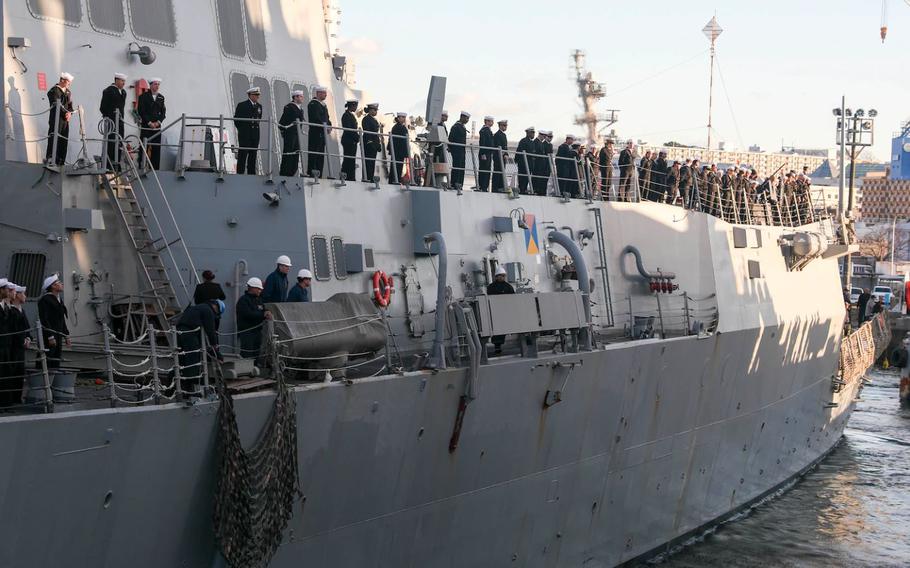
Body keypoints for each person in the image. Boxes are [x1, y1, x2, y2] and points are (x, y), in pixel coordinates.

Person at [176, 299, 223, 389]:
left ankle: (180, 385)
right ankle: (192, 386)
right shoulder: (208, 311)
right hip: (189, 333)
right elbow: (210, 330)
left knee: (182, 359)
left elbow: (202, 341)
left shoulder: (199, 307)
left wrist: (211, 352)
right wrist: (215, 347)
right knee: (193, 357)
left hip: (180, 332)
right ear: (216, 307)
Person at [5, 285, 31, 405]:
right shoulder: (11, 311)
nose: (25, 296)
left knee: (20, 372)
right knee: (12, 371)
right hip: (13, 347)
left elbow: (26, 328)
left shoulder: (21, 311)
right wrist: (22, 340)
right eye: (23, 293)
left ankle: (17, 397)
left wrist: (28, 338)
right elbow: (13, 329)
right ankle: (10, 399)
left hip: (21, 346)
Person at [37, 274, 69, 369]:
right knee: (47, 357)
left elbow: (61, 318)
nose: (61, 284)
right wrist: (50, 336)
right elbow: (44, 319)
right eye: (58, 283)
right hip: (49, 335)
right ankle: (43, 379)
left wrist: (66, 334)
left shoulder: (58, 299)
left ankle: (53, 380)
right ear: (53, 286)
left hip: (58, 334)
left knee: (56, 358)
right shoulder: (45, 300)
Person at [236, 278, 271, 360]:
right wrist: (263, 314)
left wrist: (267, 312)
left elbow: (262, 309)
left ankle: (254, 368)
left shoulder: (258, 300)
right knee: (247, 354)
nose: (260, 291)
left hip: (257, 331)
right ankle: (246, 371)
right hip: (247, 332)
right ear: (252, 288)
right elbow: (248, 314)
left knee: (256, 353)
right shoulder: (243, 300)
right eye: (258, 289)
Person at [45, 72, 74, 167]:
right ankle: (51, 158)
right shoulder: (54, 91)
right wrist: (65, 113)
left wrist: (69, 113)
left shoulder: (68, 92)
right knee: (54, 137)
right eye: (68, 81)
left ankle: (61, 160)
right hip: (56, 119)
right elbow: (55, 103)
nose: (69, 83)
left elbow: (70, 106)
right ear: (62, 80)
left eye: (70, 82)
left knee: (63, 139)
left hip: (65, 120)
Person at [100, 72, 127, 171]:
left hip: (120, 121)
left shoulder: (123, 92)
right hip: (111, 121)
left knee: (119, 141)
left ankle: (117, 162)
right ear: (116, 80)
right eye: (122, 81)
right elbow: (103, 107)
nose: (124, 83)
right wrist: (108, 117)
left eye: (124, 81)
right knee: (111, 141)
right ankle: (109, 163)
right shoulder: (109, 91)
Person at [137, 78, 166, 170]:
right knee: (143, 148)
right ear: (150, 85)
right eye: (155, 84)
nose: (157, 86)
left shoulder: (161, 97)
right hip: (146, 127)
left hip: (156, 128)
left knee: (156, 149)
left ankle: (155, 169)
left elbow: (163, 113)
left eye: (158, 84)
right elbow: (141, 111)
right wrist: (149, 122)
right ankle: (141, 166)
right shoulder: (143, 97)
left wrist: (158, 122)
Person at [233, 87, 262, 175]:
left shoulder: (259, 106)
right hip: (245, 134)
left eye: (258, 95)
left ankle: (251, 173)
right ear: (250, 95)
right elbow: (237, 120)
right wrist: (242, 130)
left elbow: (258, 120)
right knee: (243, 154)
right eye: (256, 95)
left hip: (255, 134)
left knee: (253, 155)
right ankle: (240, 173)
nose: (258, 97)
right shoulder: (242, 105)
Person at [486, 266, 515, 355]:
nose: (502, 277)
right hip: (495, 312)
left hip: (506, 311)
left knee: (503, 329)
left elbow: (513, 298)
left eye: (503, 276)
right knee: (497, 330)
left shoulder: (508, 287)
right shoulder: (491, 287)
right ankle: (497, 346)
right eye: (500, 275)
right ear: (496, 276)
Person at [278, 90, 305, 176]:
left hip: (297, 135)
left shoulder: (300, 108)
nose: (302, 98)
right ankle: (285, 173)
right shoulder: (289, 107)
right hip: (290, 134)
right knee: (288, 153)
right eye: (300, 96)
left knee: (296, 154)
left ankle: (292, 172)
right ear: (295, 97)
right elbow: (282, 122)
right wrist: (284, 131)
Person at [306, 85, 332, 178]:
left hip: (322, 133)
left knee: (321, 154)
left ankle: (319, 173)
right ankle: (312, 173)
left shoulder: (323, 105)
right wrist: (325, 126)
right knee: (314, 153)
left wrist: (329, 126)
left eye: (326, 93)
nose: (325, 95)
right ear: (318, 93)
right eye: (324, 93)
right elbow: (316, 118)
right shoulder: (313, 104)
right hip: (316, 133)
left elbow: (327, 118)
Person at [448, 111, 469, 189]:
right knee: (457, 166)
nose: (467, 120)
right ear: (462, 117)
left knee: (461, 167)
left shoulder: (462, 127)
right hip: (457, 150)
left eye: (468, 119)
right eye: (466, 118)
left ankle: (460, 183)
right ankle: (455, 183)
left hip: (462, 150)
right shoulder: (456, 126)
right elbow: (450, 138)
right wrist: (451, 148)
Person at [340, 99, 360, 181]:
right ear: (351, 106)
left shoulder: (350, 115)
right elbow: (348, 129)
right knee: (348, 159)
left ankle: (351, 176)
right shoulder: (346, 115)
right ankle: (346, 176)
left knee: (351, 159)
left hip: (352, 141)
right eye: (355, 106)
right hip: (348, 140)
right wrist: (357, 137)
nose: (355, 108)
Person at [361, 103, 381, 182]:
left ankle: (370, 177)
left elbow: (376, 134)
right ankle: (367, 178)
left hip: (374, 144)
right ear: (370, 110)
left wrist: (378, 144)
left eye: (376, 110)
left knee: (372, 162)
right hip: (369, 143)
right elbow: (367, 131)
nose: (376, 111)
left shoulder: (374, 119)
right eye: (375, 110)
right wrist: (370, 142)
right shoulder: (366, 119)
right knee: (368, 162)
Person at [388, 112, 409, 183]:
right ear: (398, 118)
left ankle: (396, 180)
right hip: (397, 152)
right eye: (402, 117)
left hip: (400, 152)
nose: (403, 119)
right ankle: (394, 181)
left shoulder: (401, 127)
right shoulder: (397, 127)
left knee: (399, 168)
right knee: (395, 168)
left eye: (404, 117)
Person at [515, 127, 536, 194]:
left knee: (527, 177)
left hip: (530, 164)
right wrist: (517, 160)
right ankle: (522, 189)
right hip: (523, 163)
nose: (533, 134)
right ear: (528, 133)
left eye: (534, 133)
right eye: (532, 133)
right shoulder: (523, 141)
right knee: (522, 177)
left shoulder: (532, 142)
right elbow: (519, 151)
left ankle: (524, 189)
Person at [477, 116, 495, 191]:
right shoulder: (484, 130)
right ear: (487, 121)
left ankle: (485, 186)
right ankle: (483, 186)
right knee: (484, 169)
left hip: (488, 153)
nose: (492, 123)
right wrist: (483, 153)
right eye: (491, 121)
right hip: (485, 153)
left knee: (487, 170)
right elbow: (483, 142)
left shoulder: (488, 130)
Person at [491, 119, 509, 192]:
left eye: (506, 126)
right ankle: (495, 188)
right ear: (500, 126)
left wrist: (506, 154)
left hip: (503, 157)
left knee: (502, 171)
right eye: (504, 125)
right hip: (498, 157)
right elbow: (498, 146)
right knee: (497, 172)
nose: (505, 127)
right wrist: (504, 154)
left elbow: (505, 147)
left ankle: (500, 187)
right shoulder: (497, 135)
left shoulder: (504, 135)